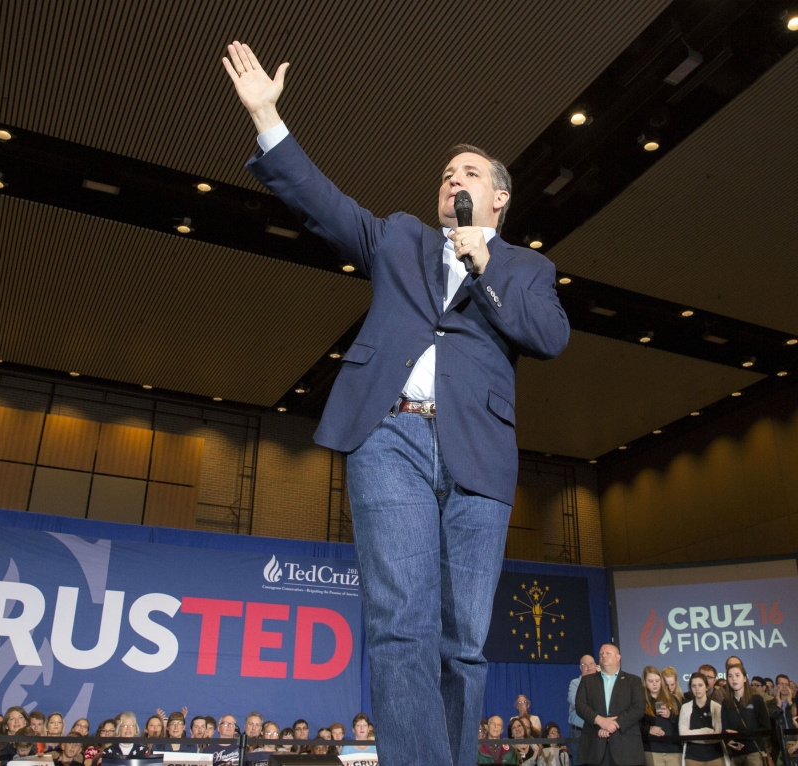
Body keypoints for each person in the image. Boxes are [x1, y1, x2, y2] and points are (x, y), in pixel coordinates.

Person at [221, 38, 570, 766]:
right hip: (390, 439)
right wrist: (268, 121)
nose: (452, 179)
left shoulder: (528, 269)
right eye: (446, 174)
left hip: (479, 456)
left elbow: (549, 338)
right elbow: (325, 204)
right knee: (399, 623)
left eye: (468, 172)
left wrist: (484, 265)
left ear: (499, 198)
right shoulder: (402, 239)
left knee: (463, 642)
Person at [575, 643, 646, 766]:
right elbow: (580, 706)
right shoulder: (587, 681)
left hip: (626, 748)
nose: (604, 656)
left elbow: (638, 708)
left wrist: (615, 724)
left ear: (618, 658)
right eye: (601, 654)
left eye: (608, 653)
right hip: (595, 747)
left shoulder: (633, 681)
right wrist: (600, 720)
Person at [721, 663, 769, 766]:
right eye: (730, 676)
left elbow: (766, 728)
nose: (734, 679)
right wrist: (729, 741)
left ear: (744, 678)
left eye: (737, 675)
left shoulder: (756, 699)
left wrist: (741, 733)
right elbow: (725, 730)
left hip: (754, 752)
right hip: (735, 754)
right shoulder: (726, 702)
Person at [679, 672, 724, 766]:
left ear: (706, 687)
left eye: (700, 685)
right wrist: (706, 731)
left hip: (715, 756)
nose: (697, 689)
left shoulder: (716, 707)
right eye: (693, 686)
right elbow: (683, 734)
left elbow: (718, 735)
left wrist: (692, 735)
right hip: (693, 757)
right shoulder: (685, 708)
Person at [640, 665, 681, 766]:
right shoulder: (640, 701)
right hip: (652, 748)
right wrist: (649, 729)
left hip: (673, 748)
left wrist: (670, 715)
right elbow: (635, 723)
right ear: (645, 683)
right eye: (651, 681)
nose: (655, 684)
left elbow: (682, 722)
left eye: (657, 681)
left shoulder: (673, 700)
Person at [570, 655, 599, 763]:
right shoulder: (575, 683)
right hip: (579, 731)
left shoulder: (602, 682)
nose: (588, 667)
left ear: (596, 666)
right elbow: (574, 701)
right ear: (580, 668)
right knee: (579, 762)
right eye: (584, 664)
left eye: (591, 664)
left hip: (597, 730)